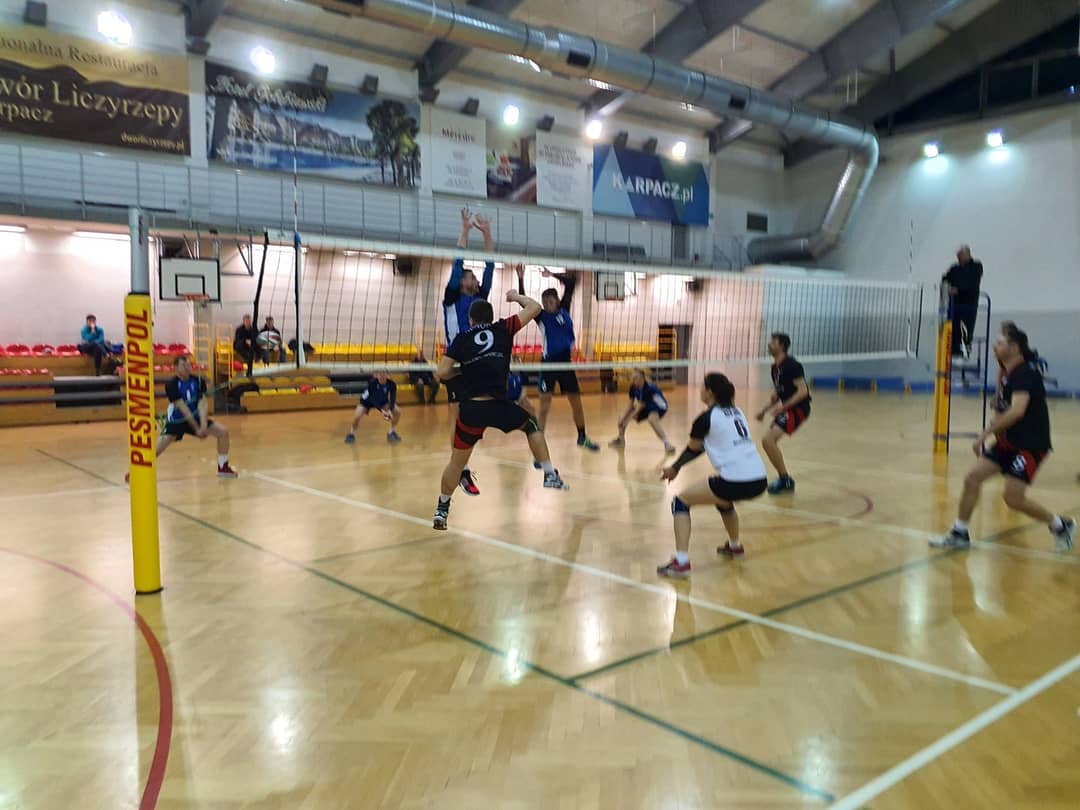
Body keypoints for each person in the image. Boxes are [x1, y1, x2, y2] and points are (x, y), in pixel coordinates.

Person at [932, 323, 1075, 552]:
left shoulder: (1025, 373)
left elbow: (1017, 410)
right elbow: (1004, 407)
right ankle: (959, 533)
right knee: (972, 478)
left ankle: (1060, 526)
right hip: (1009, 443)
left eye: (999, 343)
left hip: (1030, 446)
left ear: (1014, 348)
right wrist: (997, 412)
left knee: (1013, 498)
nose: (994, 347)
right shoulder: (1009, 374)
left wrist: (984, 435)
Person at [432, 291, 568, 530]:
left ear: (470, 320)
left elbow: (441, 372)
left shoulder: (462, 339)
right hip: (498, 406)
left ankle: (442, 510)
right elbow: (535, 307)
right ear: (491, 317)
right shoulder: (502, 328)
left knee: (456, 463)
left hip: (472, 410)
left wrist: (462, 372)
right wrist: (515, 296)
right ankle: (549, 473)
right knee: (531, 424)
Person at [657, 373, 768, 578]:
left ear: (709, 392)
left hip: (735, 481)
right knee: (723, 501)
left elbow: (694, 449)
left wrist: (675, 468)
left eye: (702, 387)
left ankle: (681, 562)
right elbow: (704, 446)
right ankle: (734, 546)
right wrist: (676, 467)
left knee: (680, 502)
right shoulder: (737, 412)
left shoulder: (706, 418)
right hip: (760, 479)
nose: (700, 390)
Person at [515, 265, 600, 454]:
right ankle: (539, 442)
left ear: (556, 300)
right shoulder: (541, 317)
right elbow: (524, 302)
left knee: (576, 401)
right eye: (544, 302)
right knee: (544, 405)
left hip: (566, 364)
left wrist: (551, 274)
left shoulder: (564, 309)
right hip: (549, 365)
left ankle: (582, 437)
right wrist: (521, 278)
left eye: (550, 301)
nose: (546, 304)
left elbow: (572, 282)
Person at [443, 207, 495, 496]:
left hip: (474, 363)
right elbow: (457, 262)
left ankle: (461, 464)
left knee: (471, 416)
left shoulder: (479, 301)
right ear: (462, 282)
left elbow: (490, 268)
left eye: (475, 278)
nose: (475, 280)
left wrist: (487, 234)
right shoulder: (452, 296)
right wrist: (464, 231)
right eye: (470, 277)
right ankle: (461, 471)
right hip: (454, 362)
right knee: (458, 417)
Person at [126, 356, 237, 481]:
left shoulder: (198, 381)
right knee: (158, 448)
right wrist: (197, 429)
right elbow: (182, 408)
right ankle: (136, 471)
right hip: (177, 421)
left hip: (196, 417)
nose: (187, 368)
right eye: (184, 365)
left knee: (223, 432)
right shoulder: (172, 385)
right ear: (176, 368)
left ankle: (223, 467)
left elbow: (202, 403)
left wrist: (203, 426)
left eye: (189, 365)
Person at [756, 332, 811, 495]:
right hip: (788, 409)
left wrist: (783, 407)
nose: (769, 344)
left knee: (768, 441)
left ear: (781, 346)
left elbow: (803, 391)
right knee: (767, 442)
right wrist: (764, 410)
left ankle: (785, 480)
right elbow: (778, 394)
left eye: (773, 342)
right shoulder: (775, 368)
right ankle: (784, 479)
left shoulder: (792, 365)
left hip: (799, 409)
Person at [609, 370, 676, 454]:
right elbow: (630, 405)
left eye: (636, 378)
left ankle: (667, 444)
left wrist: (627, 421)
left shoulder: (649, 388)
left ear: (642, 378)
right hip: (646, 407)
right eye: (632, 378)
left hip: (658, 407)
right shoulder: (633, 387)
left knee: (652, 419)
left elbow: (640, 407)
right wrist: (623, 418)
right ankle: (620, 440)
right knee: (622, 417)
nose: (633, 380)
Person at [943, 245, 983, 358]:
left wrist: (958, 289)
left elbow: (972, 283)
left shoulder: (976, 266)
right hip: (954, 306)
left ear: (967, 255)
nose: (958, 258)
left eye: (960, 255)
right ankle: (951, 355)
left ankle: (964, 354)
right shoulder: (954, 268)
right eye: (957, 256)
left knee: (965, 331)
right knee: (953, 331)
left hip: (968, 306)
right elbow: (945, 278)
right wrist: (948, 287)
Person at [345, 370, 402, 444]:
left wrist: (390, 410)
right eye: (380, 374)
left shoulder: (391, 384)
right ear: (376, 375)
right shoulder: (372, 383)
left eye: (384, 374)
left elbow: (392, 398)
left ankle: (391, 432)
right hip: (367, 401)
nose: (382, 376)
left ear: (387, 375)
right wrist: (382, 411)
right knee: (357, 416)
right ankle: (351, 434)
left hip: (382, 401)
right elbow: (373, 399)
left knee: (397, 411)